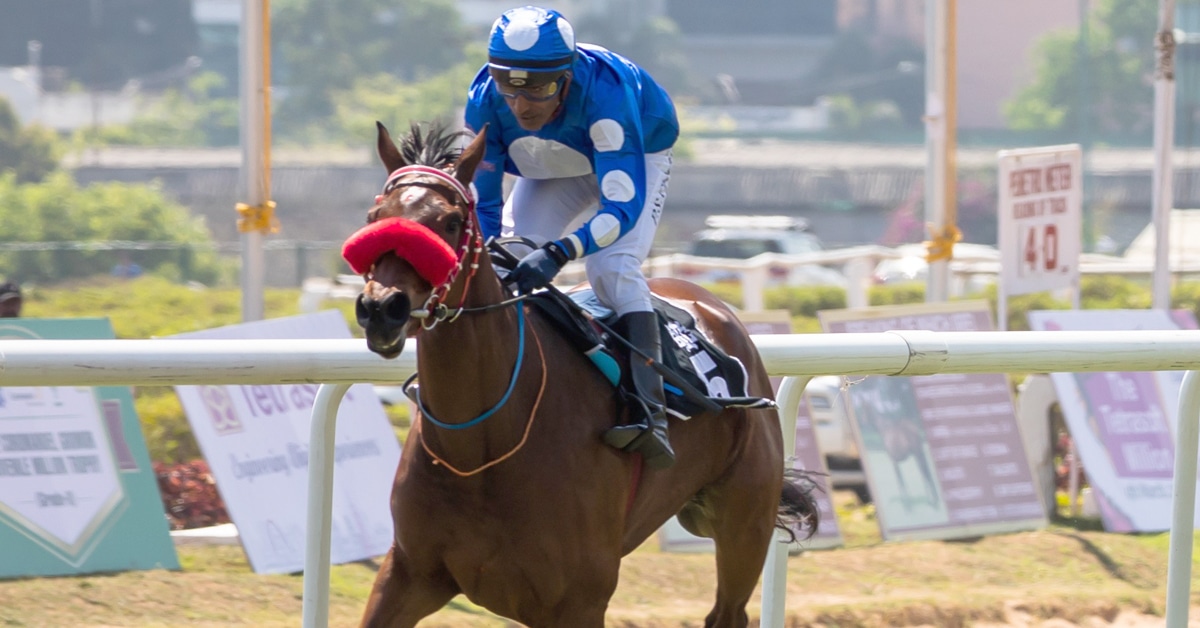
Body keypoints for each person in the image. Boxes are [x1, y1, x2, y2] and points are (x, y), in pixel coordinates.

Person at [464, 6, 679, 469]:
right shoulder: (483, 100)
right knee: (509, 257)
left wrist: (560, 253)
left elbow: (620, 208)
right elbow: (481, 205)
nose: (521, 107)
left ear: (565, 77)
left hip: (633, 151)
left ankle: (651, 411)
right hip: (556, 161)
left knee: (611, 270)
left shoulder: (606, 96)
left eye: (538, 89)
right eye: (510, 88)